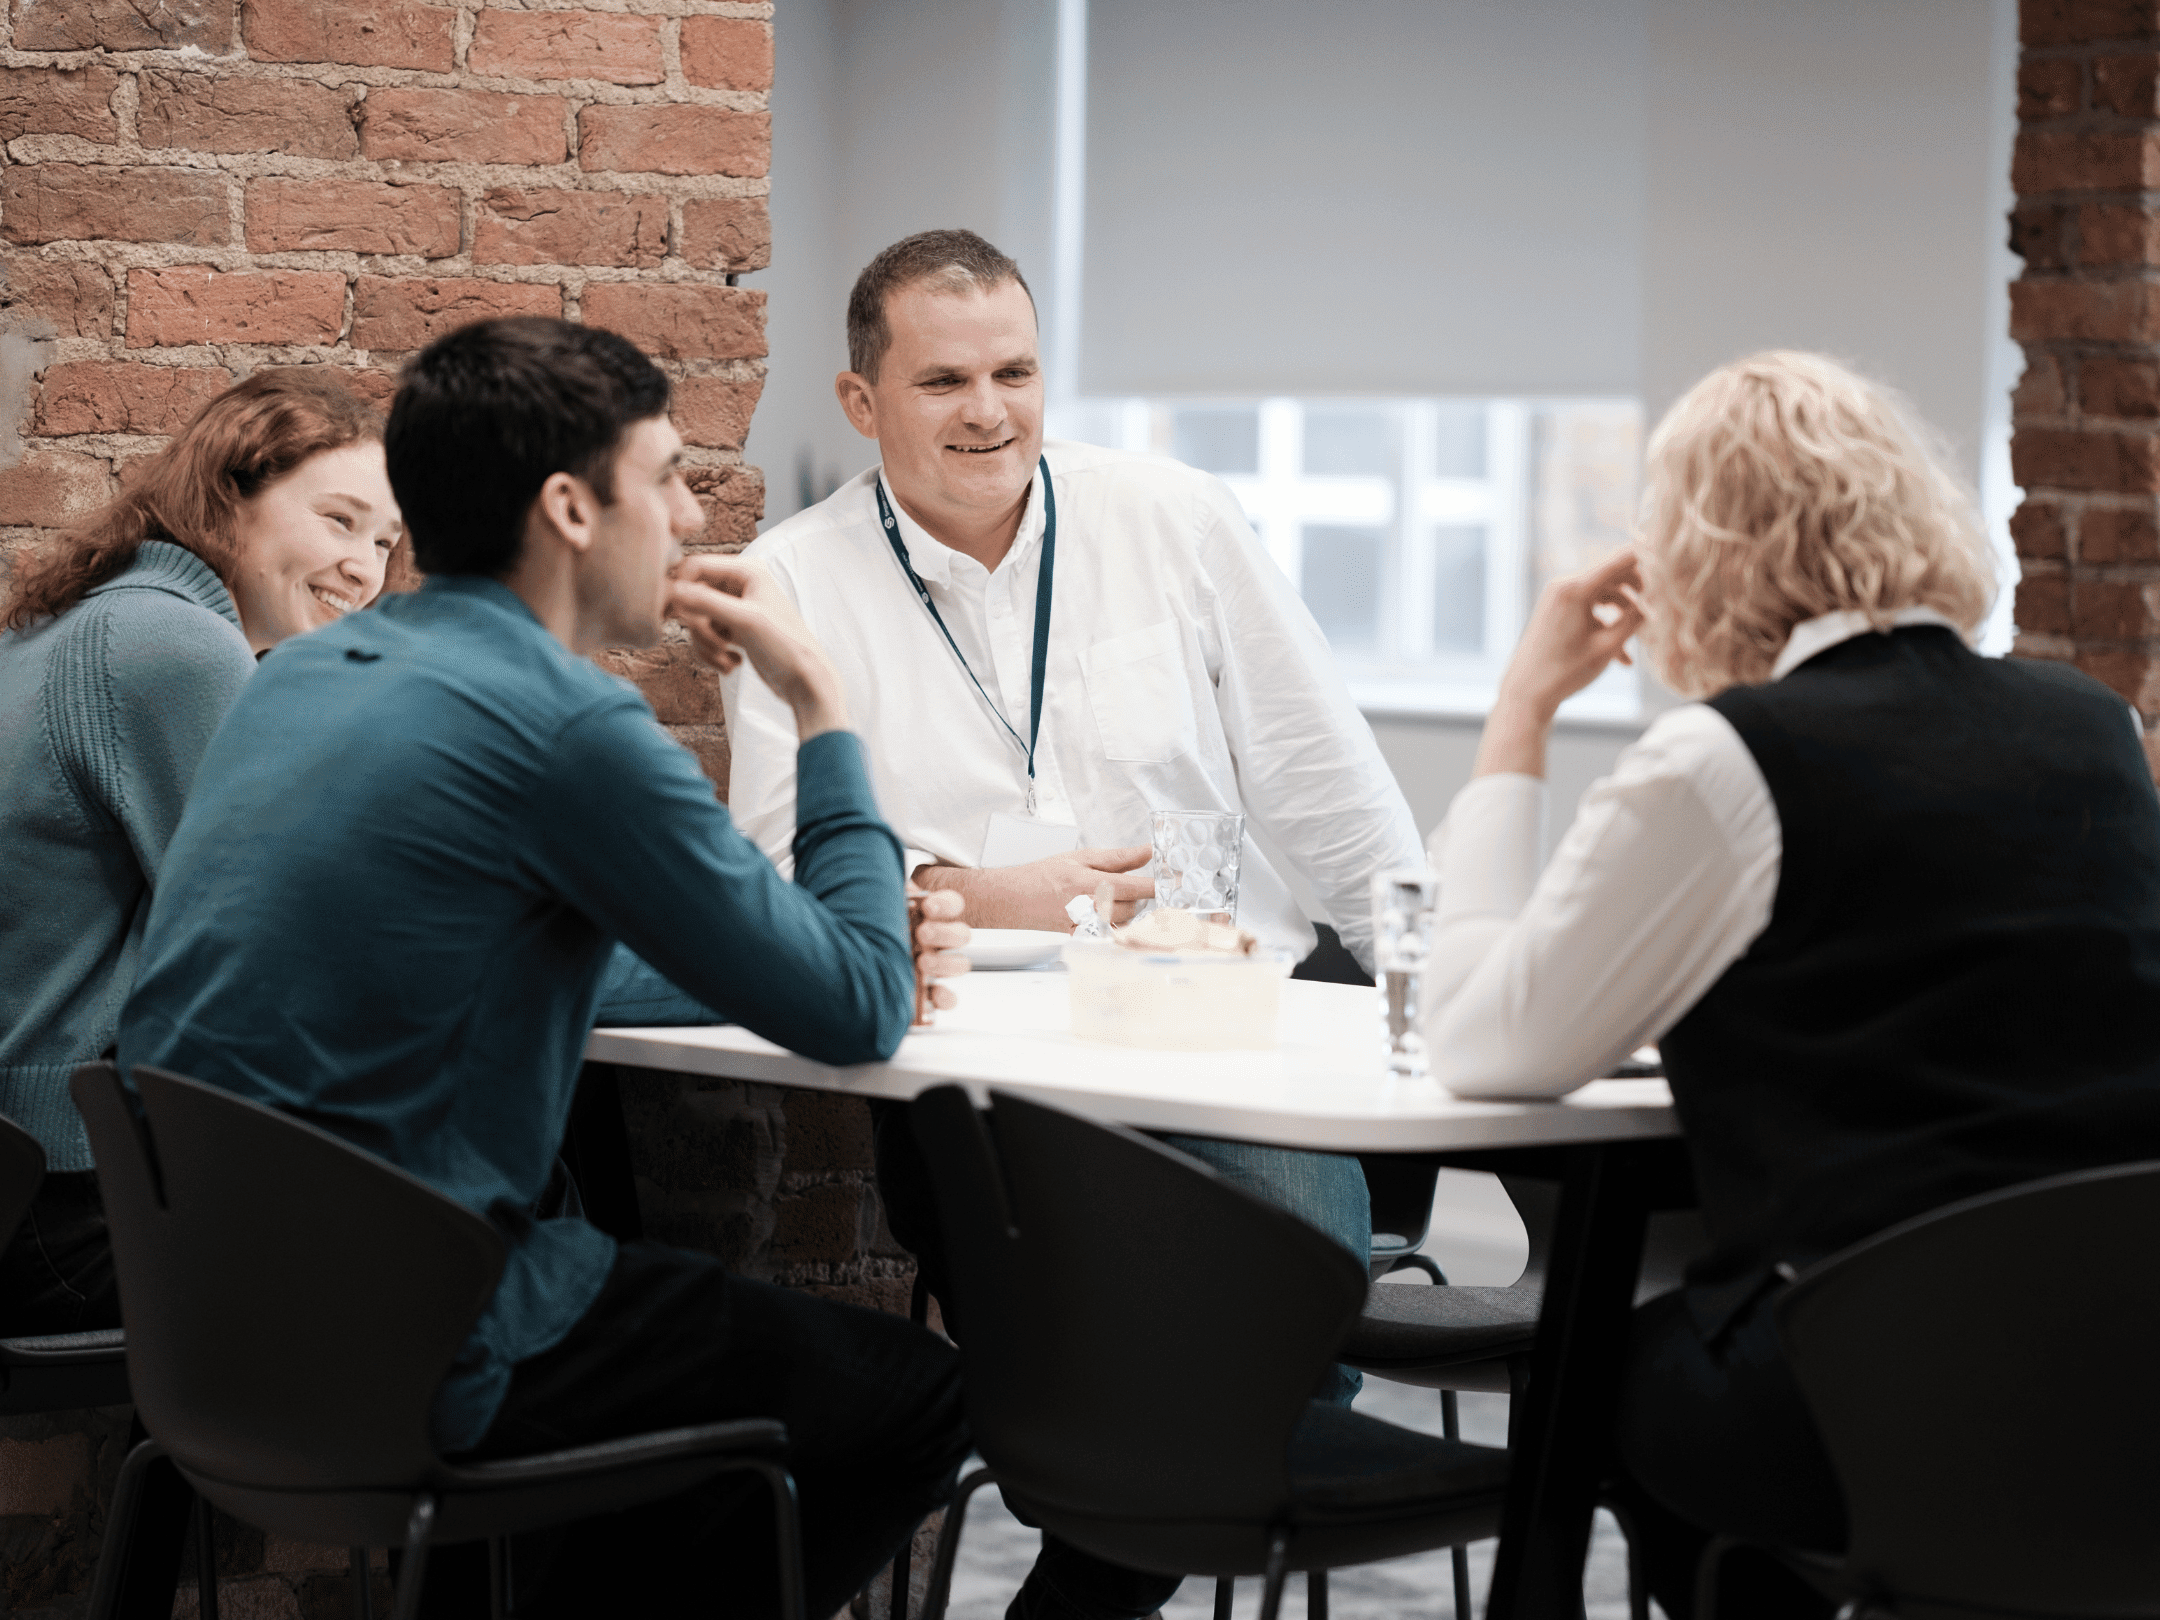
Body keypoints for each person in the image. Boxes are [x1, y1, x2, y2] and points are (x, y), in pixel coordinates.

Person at [116, 317, 973, 1619]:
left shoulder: (298, 678)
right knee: (917, 1397)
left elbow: (510, 959)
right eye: (671, 477)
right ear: (573, 508)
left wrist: (776, 945)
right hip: (426, 1342)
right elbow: (859, 1010)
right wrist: (825, 709)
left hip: (221, 1338)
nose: (692, 515)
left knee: (600, 1250)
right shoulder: (567, 727)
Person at [722, 226, 1418, 1620]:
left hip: (1213, 1044)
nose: (990, 411)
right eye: (943, 383)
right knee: (1141, 1377)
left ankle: (1100, 1574)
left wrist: (1429, 981)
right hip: (973, 1074)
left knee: (1303, 1273)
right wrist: (986, 898)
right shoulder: (793, 577)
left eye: (1015, 371)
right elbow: (775, 866)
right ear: (862, 402)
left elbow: (1327, 787)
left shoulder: (1174, 520)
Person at [1419, 351, 2160, 1618]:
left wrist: (1521, 713)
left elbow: (1486, 1049)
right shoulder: (2091, 721)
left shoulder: (1725, 760)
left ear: (1695, 559)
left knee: (1595, 1375)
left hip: (1888, 1388)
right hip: (2127, 1373)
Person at [0, 369, 401, 1337]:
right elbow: (293, 954)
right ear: (229, 501)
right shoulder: (172, 648)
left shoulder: (78, 622)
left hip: (33, 1186)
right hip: (56, 1210)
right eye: (340, 522)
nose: (368, 569)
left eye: (387, 539)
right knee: (480, 1230)